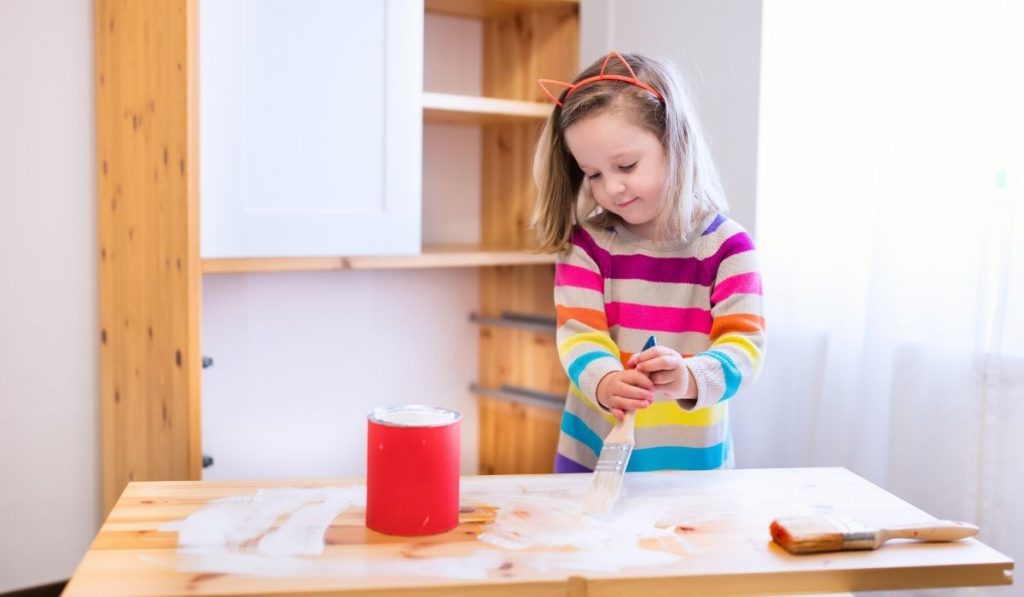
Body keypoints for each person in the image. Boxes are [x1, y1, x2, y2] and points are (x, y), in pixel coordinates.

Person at [533, 51, 766, 472]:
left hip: (692, 463)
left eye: (626, 165)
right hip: (594, 453)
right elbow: (579, 335)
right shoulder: (588, 246)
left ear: (674, 143)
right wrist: (605, 381)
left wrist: (691, 377)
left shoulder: (728, 249)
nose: (613, 188)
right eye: (593, 173)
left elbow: (744, 349)